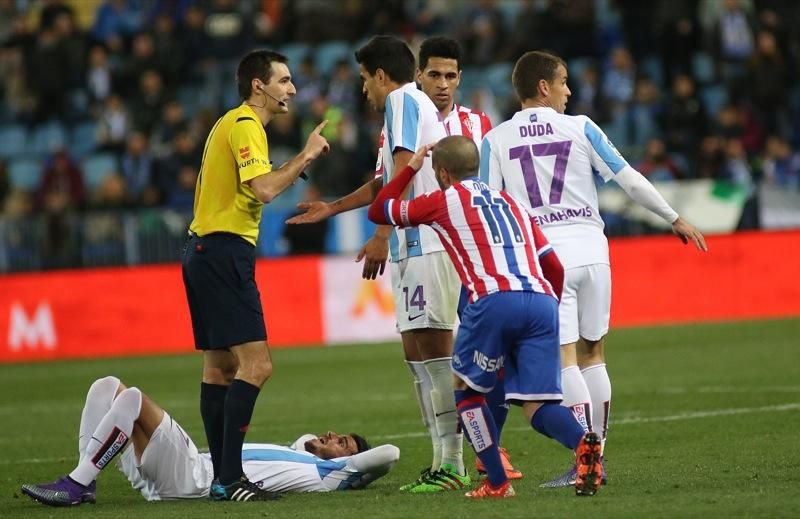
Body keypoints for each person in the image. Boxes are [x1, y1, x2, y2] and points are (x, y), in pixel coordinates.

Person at [479, 50, 708, 488]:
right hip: (593, 252)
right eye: (563, 82)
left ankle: (586, 460)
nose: (569, 91)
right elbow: (628, 178)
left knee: (563, 359)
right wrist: (672, 217)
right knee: (594, 354)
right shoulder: (582, 127)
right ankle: (596, 456)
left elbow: (491, 207)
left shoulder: (498, 139)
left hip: (547, 260)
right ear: (542, 87)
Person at [367, 136, 603, 498]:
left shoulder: (444, 200)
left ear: (443, 173)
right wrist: (548, 307)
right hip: (540, 299)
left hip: (492, 300)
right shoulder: (512, 202)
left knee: (465, 394)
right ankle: (583, 445)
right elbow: (552, 264)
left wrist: (410, 167)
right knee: (539, 404)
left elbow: (380, 210)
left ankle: (496, 482)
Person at [286, 35, 467, 494]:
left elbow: (405, 166)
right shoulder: (405, 111)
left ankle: (455, 464)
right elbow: (387, 178)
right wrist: (333, 207)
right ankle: (440, 461)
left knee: (437, 355)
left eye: (366, 79)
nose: (364, 89)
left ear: (381, 76)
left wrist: (382, 232)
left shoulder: (405, 99)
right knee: (418, 358)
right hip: (413, 244)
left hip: (427, 241)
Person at [182, 49, 330, 502]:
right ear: (257, 86)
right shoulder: (246, 124)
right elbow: (263, 189)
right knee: (257, 365)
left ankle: (222, 479)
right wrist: (305, 155)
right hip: (223, 251)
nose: (292, 89)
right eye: (283, 81)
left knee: (220, 368)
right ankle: (229, 477)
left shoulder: (229, 124)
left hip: (202, 251)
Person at [20, 376, 399, 507]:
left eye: (344, 443)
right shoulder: (298, 451)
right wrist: (319, 445)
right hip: (180, 471)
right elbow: (306, 441)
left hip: (194, 480)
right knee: (105, 387)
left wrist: (351, 467)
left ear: (349, 463)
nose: (333, 437)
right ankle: (86, 484)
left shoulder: (333, 476)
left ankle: (75, 484)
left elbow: (389, 454)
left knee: (132, 397)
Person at [416, 35, 521, 482]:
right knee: (442, 356)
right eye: (434, 74)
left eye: (450, 75)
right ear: (419, 75)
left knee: (489, 355)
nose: (443, 84)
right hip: (427, 248)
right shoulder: (405, 122)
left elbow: (497, 183)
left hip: (477, 254)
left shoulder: (479, 124)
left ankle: (489, 451)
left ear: (460, 78)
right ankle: (458, 456)